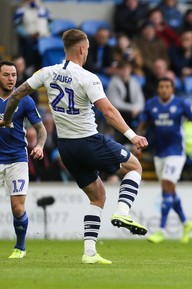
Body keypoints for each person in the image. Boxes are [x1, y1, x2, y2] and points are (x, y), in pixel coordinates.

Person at [0, 29, 149, 265]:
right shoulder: (88, 77)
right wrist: (132, 135)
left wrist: (7, 118)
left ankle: (89, 252)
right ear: (82, 49)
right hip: (89, 140)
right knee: (135, 167)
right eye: (87, 49)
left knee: (97, 196)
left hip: (66, 148)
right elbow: (108, 111)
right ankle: (122, 211)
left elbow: (17, 93)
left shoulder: (47, 72)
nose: (87, 52)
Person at [137, 77, 192, 243]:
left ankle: (161, 230)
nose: (164, 89)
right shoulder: (151, 104)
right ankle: (186, 223)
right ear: (158, 89)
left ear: (172, 89)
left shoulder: (181, 104)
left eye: (167, 86)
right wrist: (136, 143)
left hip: (176, 152)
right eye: (161, 86)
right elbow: (142, 124)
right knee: (169, 190)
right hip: (159, 153)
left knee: (166, 184)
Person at [0, 61, 47, 258]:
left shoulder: (24, 100)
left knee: (18, 208)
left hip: (17, 159)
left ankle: (20, 248)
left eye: (13, 75)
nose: (11, 79)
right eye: (6, 75)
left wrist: (39, 146)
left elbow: (41, 130)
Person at [106, 60, 145, 141]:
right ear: (118, 70)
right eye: (122, 69)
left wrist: (137, 109)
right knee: (127, 116)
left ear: (130, 69)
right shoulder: (113, 83)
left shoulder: (134, 82)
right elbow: (115, 103)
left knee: (144, 116)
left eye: (126, 69)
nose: (124, 72)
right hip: (120, 112)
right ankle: (125, 141)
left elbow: (141, 101)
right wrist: (132, 109)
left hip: (134, 112)